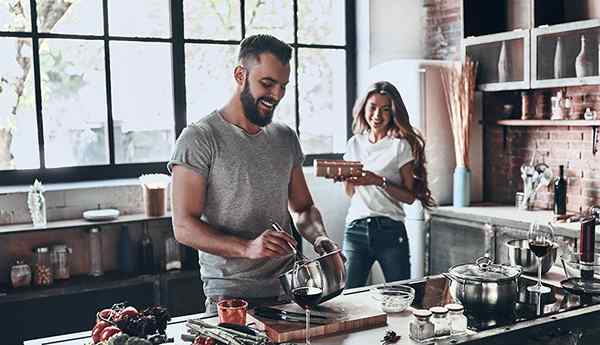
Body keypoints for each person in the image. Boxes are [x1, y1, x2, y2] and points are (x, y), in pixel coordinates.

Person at [168, 34, 339, 312]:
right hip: (230, 298)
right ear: (240, 75)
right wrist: (248, 247)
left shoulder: (285, 137)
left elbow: (304, 208)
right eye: (267, 84)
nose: (277, 95)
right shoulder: (199, 138)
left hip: (290, 291)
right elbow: (184, 227)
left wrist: (320, 239)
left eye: (283, 86)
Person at [339, 81, 436, 289]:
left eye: (385, 110)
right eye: (373, 107)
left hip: (390, 231)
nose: (377, 115)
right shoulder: (354, 143)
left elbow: (410, 197)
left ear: (393, 113)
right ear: (364, 108)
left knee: (401, 294)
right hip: (356, 229)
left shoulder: (400, 146)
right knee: (348, 296)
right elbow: (350, 193)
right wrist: (346, 178)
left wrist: (377, 180)